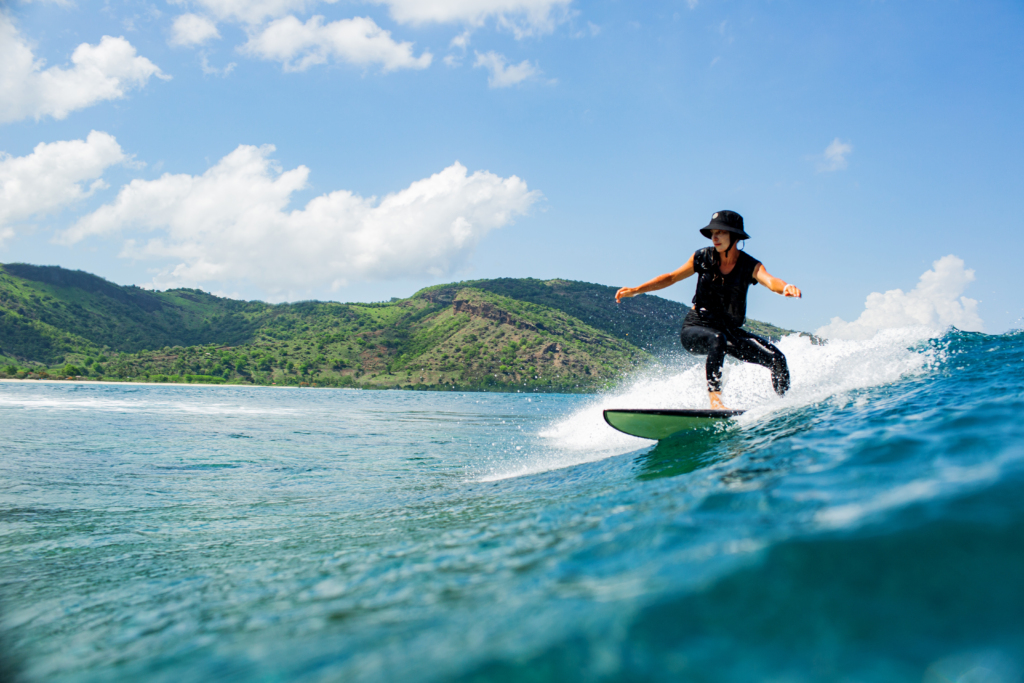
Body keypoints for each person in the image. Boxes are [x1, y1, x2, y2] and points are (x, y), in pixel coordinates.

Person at [615, 210, 802, 409]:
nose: (715, 236)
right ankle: (715, 401)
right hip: (697, 327)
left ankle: (785, 406)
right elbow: (671, 277)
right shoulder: (702, 257)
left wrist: (785, 287)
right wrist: (636, 290)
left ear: (735, 235)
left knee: (777, 359)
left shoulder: (750, 265)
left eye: (721, 232)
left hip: (729, 331)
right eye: (713, 232)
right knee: (716, 339)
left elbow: (770, 280)